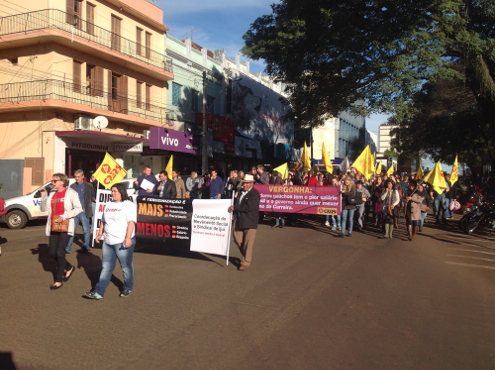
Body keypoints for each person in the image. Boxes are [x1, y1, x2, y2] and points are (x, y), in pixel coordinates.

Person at [84, 182, 137, 300]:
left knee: (125, 266)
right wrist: (99, 234)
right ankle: (98, 292)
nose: (112, 193)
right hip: (108, 241)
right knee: (106, 267)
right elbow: (103, 220)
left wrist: (128, 238)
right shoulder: (108, 204)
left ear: (121, 192)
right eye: (111, 191)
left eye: (115, 191)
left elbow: (131, 222)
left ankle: (127, 287)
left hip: (122, 241)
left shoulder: (128, 205)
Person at [40, 173, 82, 290]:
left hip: (65, 226)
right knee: (52, 253)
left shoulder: (71, 193)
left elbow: (79, 208)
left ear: (62, 182)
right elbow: (44, 209)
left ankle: (58, 280)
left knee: (60, 252)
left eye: (55, 181)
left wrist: (65, 216)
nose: (52, 183)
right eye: (52, 181)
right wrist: (43, 196)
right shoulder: (52, 193)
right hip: (53, 226)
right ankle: (68, 267)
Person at [229, 174, 260, 271]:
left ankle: (246, 261)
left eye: (246, 183)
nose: (244, 185)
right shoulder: (240, 192)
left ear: (251, 184)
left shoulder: (255, 194)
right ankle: (247, 254)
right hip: (239, 219)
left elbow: (250, 207)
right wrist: (234, 211)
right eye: (244, 183)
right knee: (237, 239)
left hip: (250, 221)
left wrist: (236, 208)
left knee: (248, 242)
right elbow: (236, 203)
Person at [66, 169, 94, 253]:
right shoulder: (72, 186)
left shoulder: (89, 185)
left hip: (84, 210)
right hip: (74, 211)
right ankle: (68, 247)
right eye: (75, 177)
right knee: (71, 230)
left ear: (83, 176)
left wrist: (94, 199)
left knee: (86, 230)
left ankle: (86, 246)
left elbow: (93, 195)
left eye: (78, 177)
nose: (77, 178)